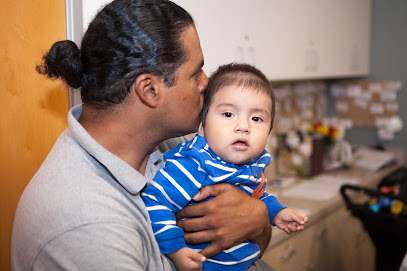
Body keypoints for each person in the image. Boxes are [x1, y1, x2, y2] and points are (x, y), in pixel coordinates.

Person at [11, 1, 276, 270]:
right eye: (195, 71)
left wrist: (258, 219)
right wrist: (256, 226)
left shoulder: (172, 142)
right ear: (149, 90)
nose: (205, 82)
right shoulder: (88, 224)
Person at [142, 63, 309, 271]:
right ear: (202, 126)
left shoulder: (253, 163)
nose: (243, 127)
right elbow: (155, 201)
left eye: (256, 119)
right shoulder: (195, 163)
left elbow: (256, 196)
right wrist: (175, 250)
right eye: (228, 115)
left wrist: (276, 212)